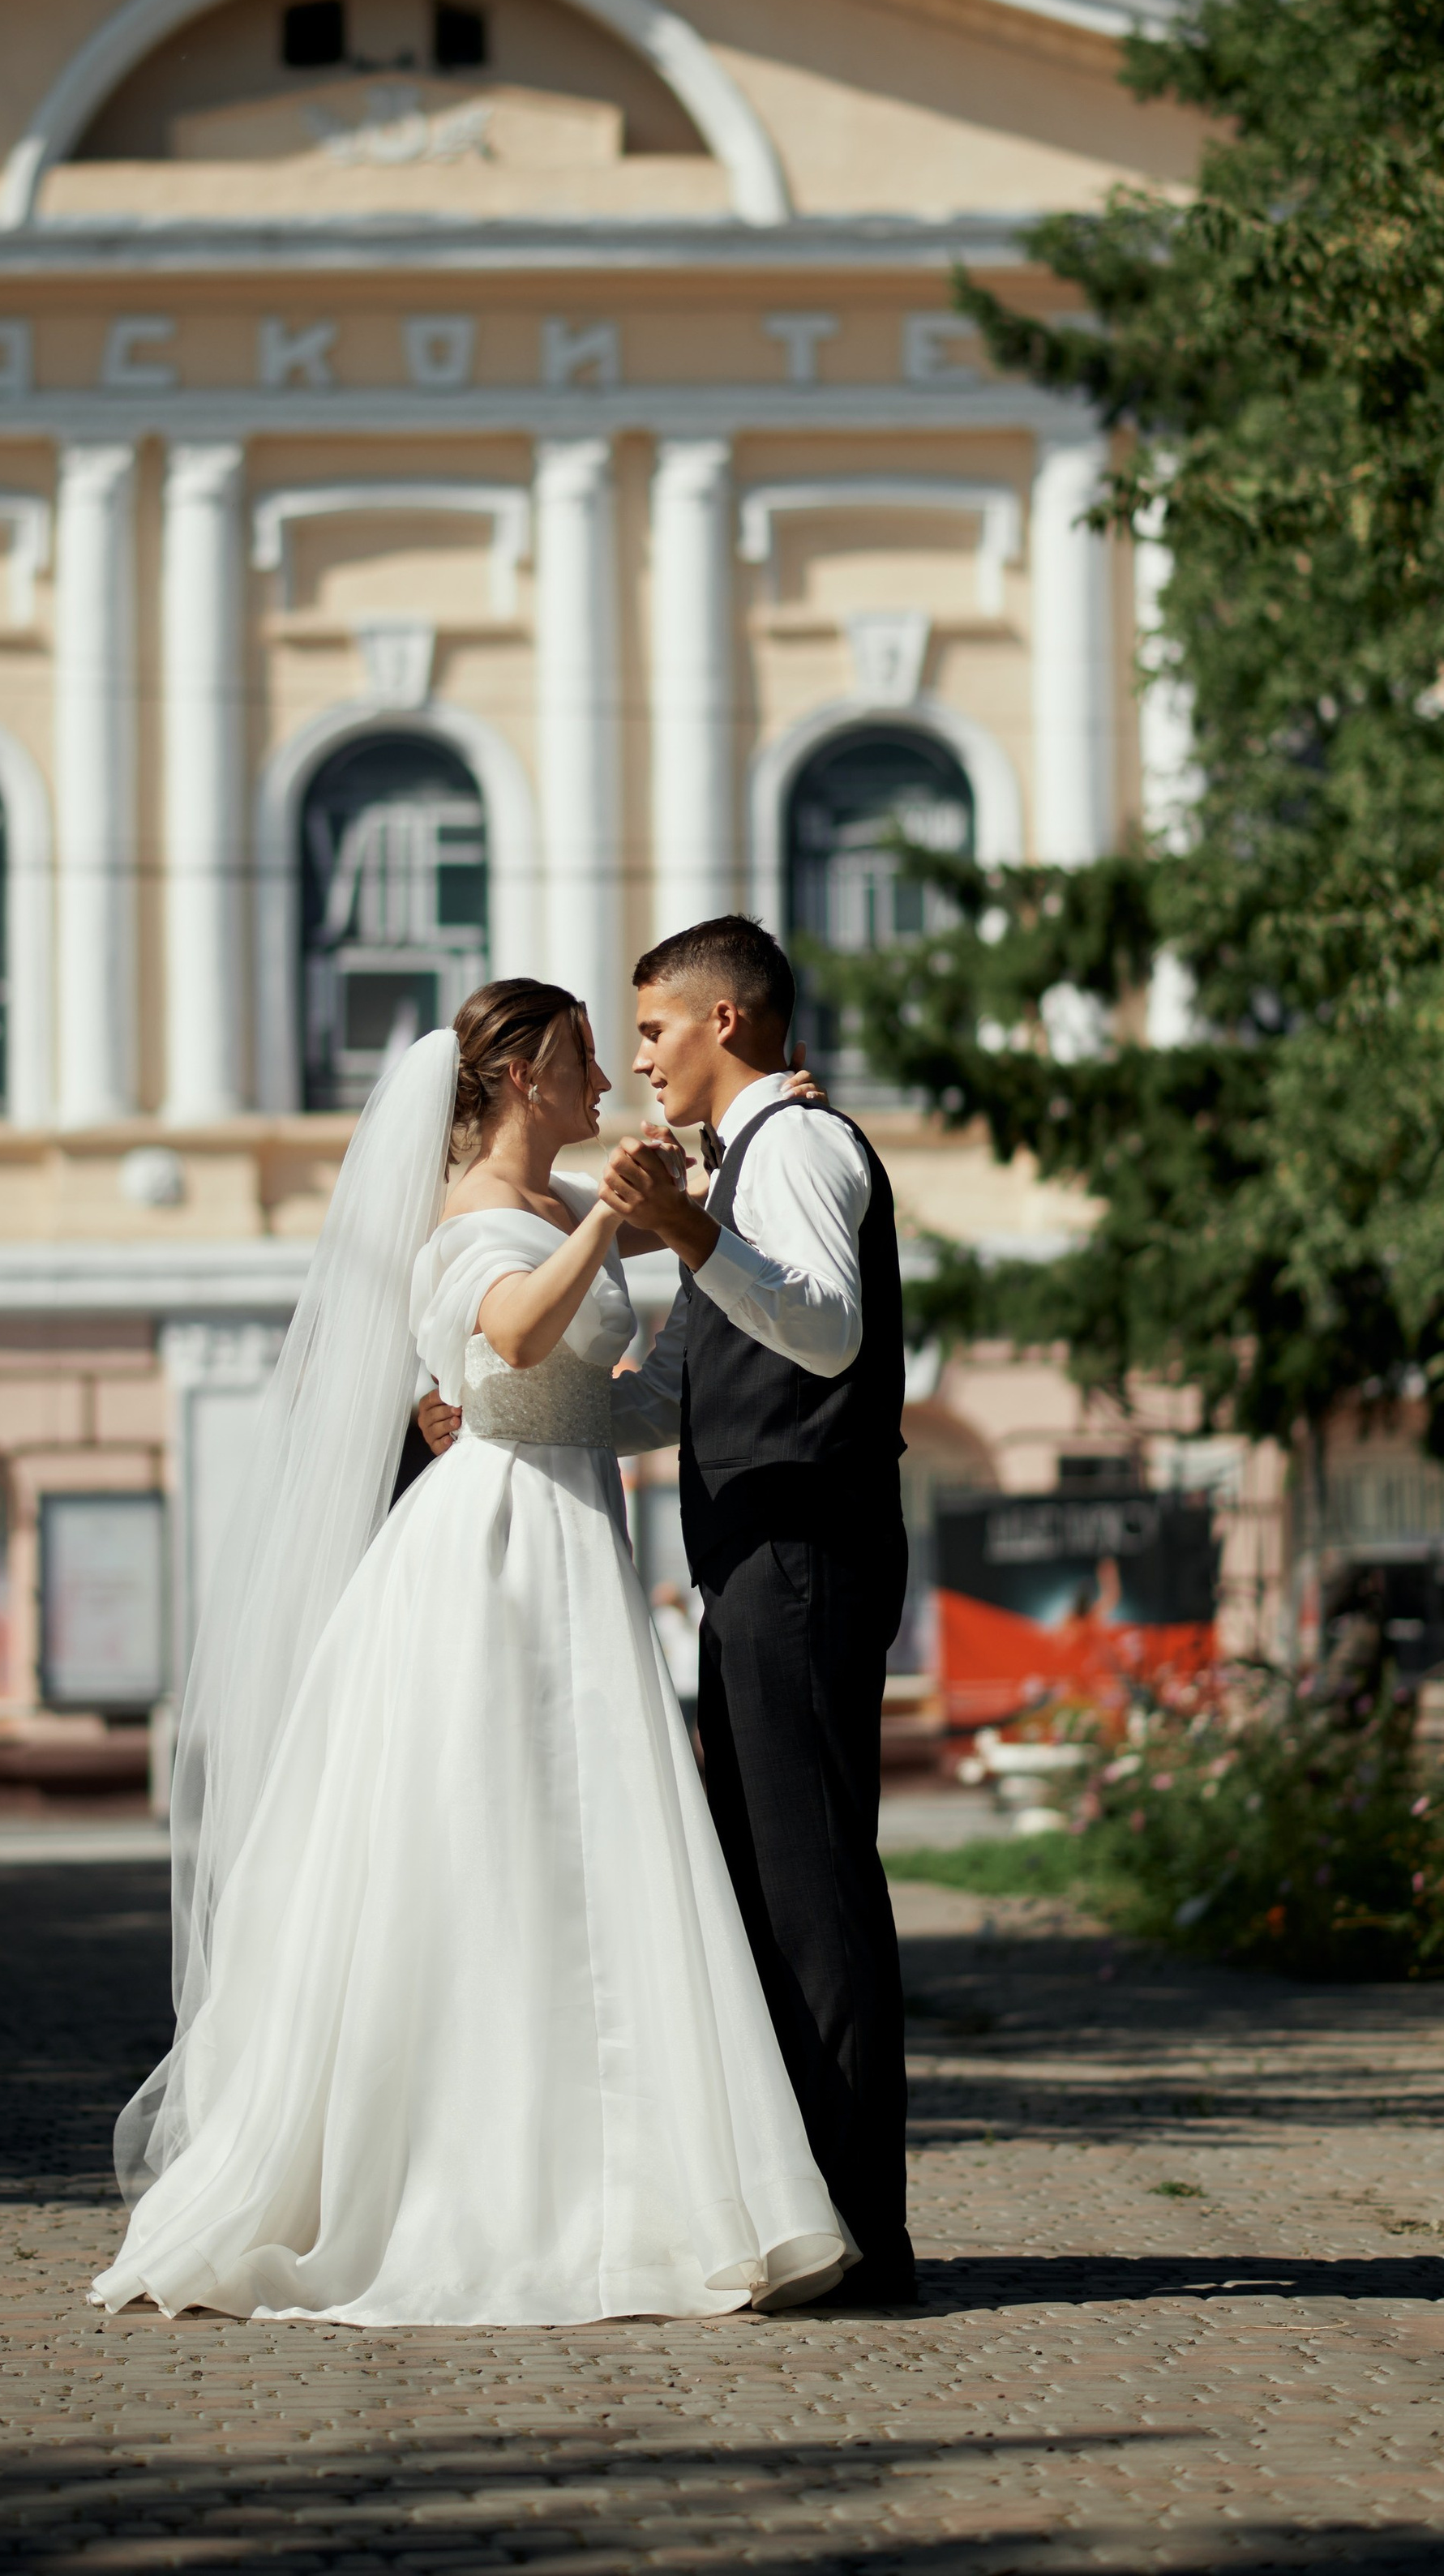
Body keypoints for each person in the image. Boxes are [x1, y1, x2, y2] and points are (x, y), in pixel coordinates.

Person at [91, 981, 853, 2327]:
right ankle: (462, 2186)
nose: (605, 1083)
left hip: (571, 1528)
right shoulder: (469, 1221)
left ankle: (613, 2183)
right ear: (515, 1079)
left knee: (583, 1862)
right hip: (493, 1553)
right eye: (579, 1063)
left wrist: (687, 1206)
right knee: (489, 1850)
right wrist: (618, 1222)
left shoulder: (563, 1215)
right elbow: (510, 1335)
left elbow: (585, 1402)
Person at [599, 914, 916, 2308]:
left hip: (801, 1554)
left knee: (812, 1893)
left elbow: (828, 1329)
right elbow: (672, 1389)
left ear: (728, 1019)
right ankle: (822, 2206)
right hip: (760, 1564)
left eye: (656, 1028)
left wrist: (688, 1227)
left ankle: (860, 2226)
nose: (641, 1061)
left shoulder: (796, 1147)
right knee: (775, 1884)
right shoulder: (737, 1173)